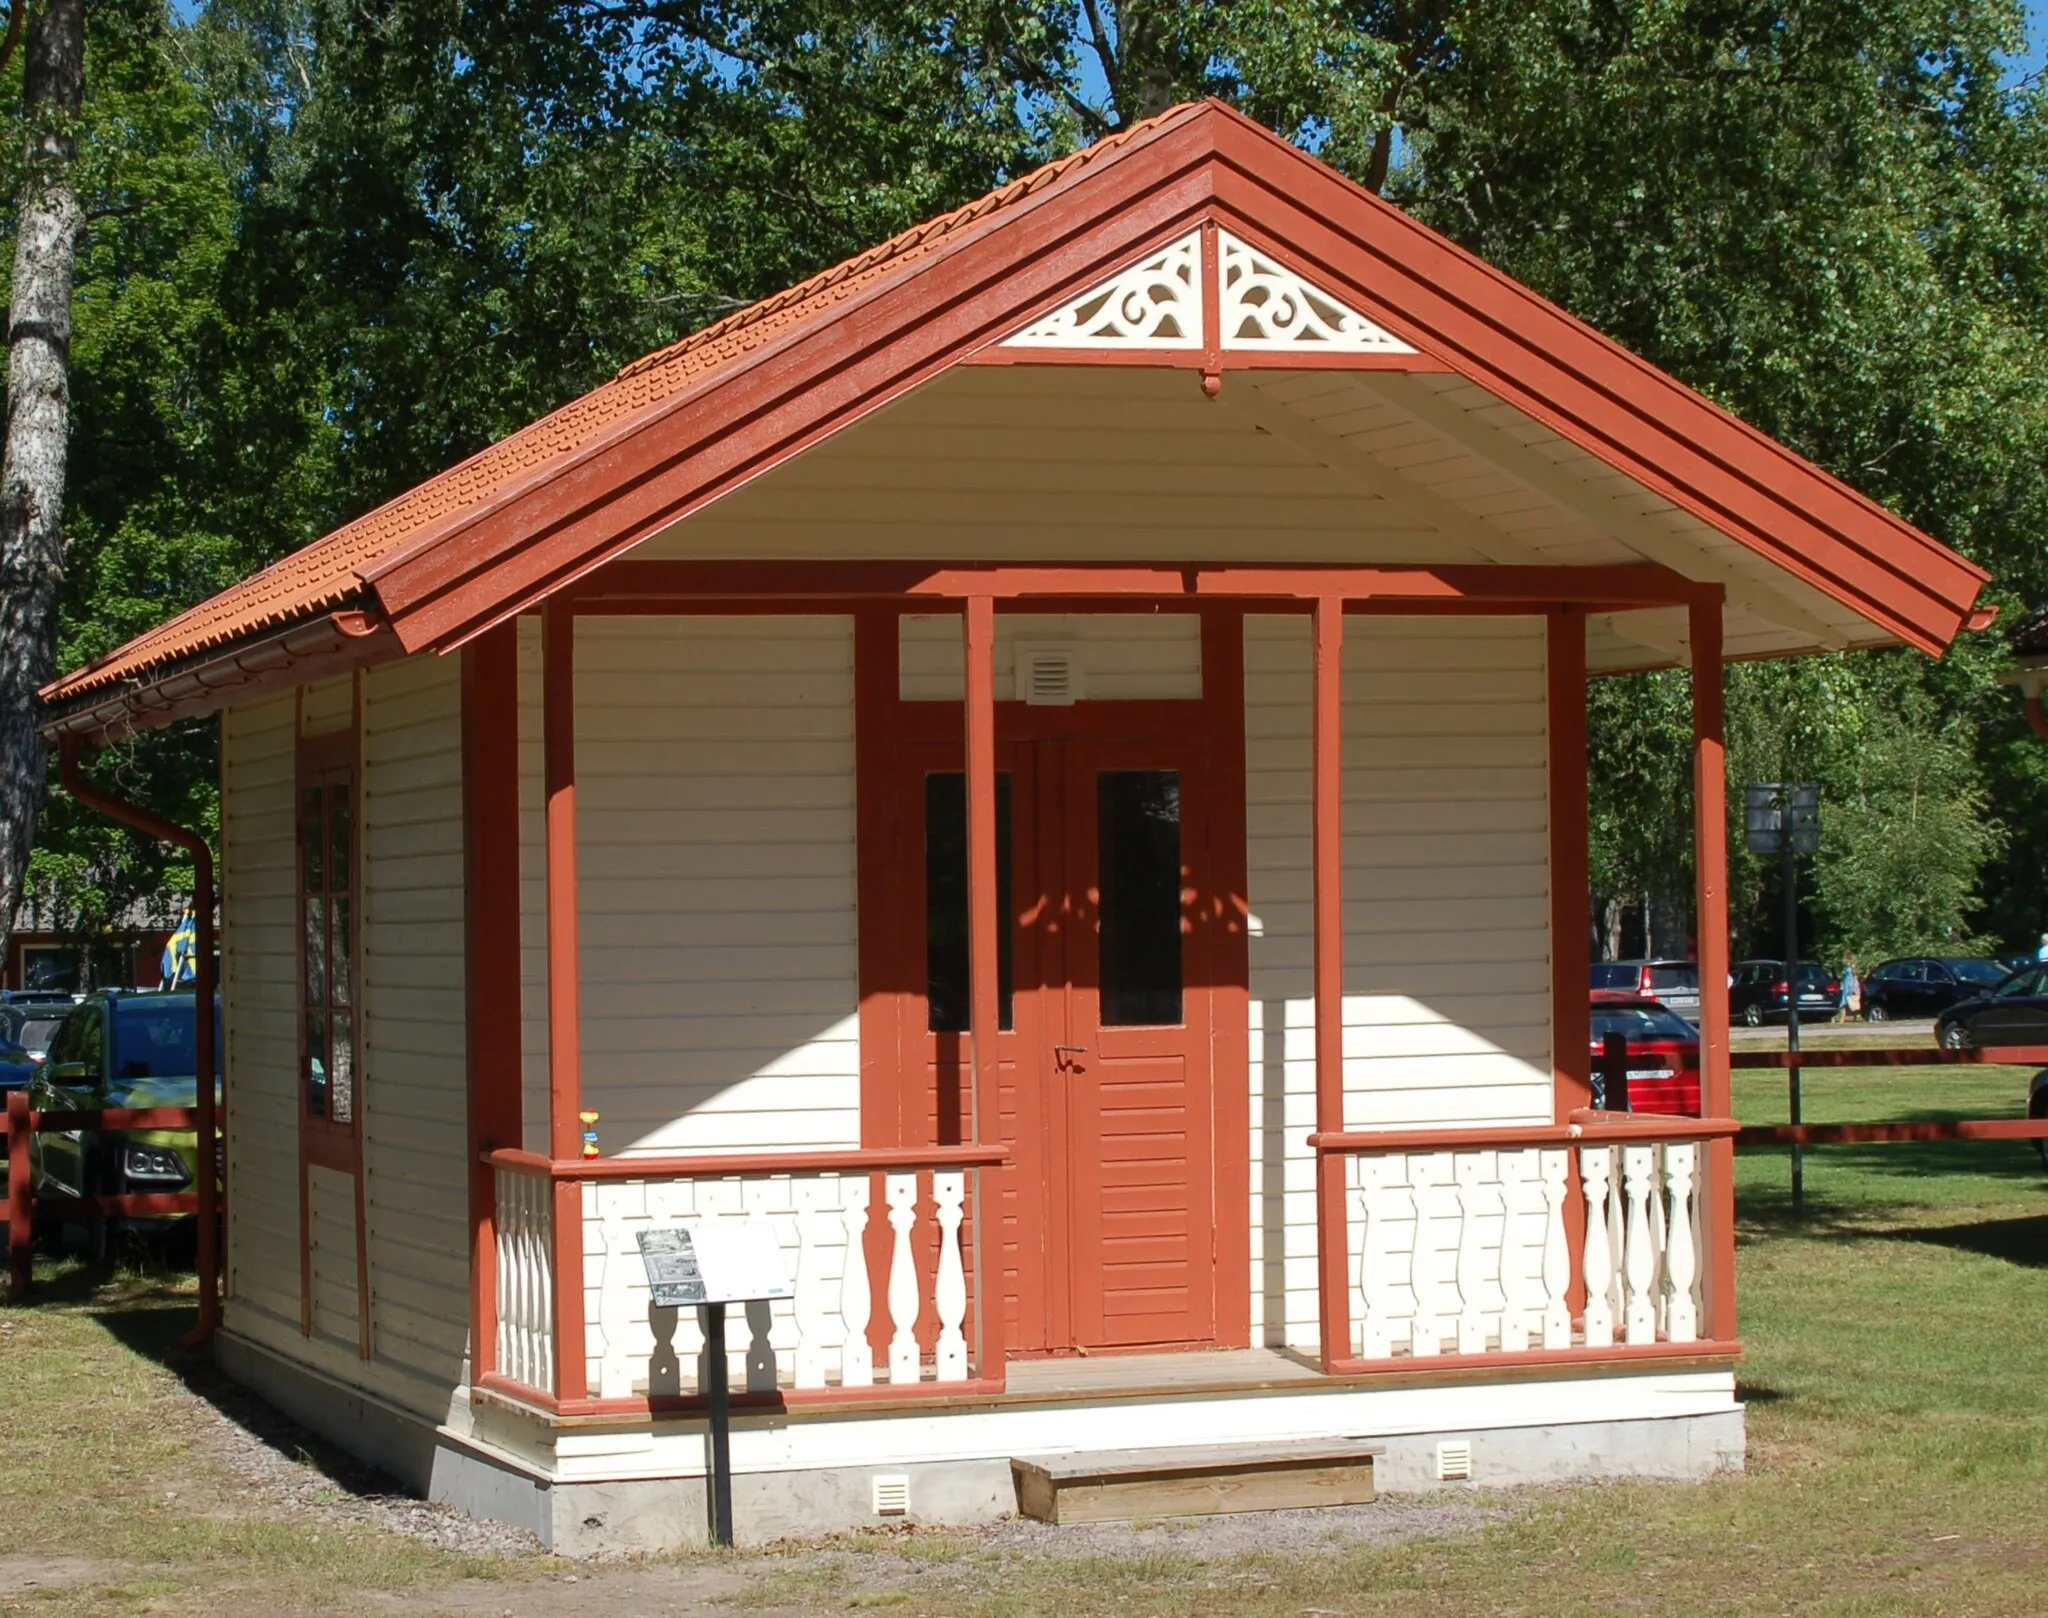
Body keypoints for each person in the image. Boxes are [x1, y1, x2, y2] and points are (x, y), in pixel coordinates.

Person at [1837, 950, 1861, 1024]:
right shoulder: (1847, 965)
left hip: (1850, 985)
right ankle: (1849, 1018)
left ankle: (1843, 1019)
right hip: (1847, 984)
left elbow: (1855, 976)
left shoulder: (1852, 965)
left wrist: (1854, 987)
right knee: (1846, 1002)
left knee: (1849, 1001)